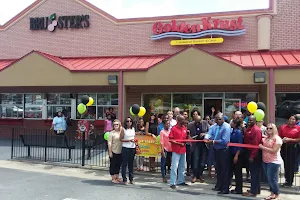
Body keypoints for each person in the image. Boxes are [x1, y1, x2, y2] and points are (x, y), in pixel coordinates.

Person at [204, 113, 231, 194]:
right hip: (216, 150)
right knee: (218, 169)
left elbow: (224, 141)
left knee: (224, 170)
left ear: (223, 119)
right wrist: (206, 138)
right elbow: (210, 133)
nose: (218, 120)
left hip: (224, 151)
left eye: (219, 119)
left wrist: (212, 141)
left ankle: (225, 188)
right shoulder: (214, 126)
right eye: (216, 119)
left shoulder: (226, 127)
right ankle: (219, 185)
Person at [259, 123, 283, 200]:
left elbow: (274, 150)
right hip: (265, 160)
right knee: (270, 179)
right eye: (267, 128)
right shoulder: (266, 137)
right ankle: (272, 193)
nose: (268, 130)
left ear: (274, 129)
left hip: (274, 161)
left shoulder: (277, 139)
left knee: (271, 179)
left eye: (271, 128)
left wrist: (262, 147)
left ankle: (277, 193)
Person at [243, 115, 262, 197]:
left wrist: (252, 156)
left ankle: (253, 192)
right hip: (249, 152)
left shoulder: (256, 130)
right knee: (254, 173)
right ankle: (256, 189)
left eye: (251, 120)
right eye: (249, 120)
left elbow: (256, 144)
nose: (249, 122)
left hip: (255, 154)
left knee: (254, 174)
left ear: (255, 121)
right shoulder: (248, 128)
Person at [279, 115, 300, 187]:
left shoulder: (298, 128)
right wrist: (282, 140)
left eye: (293, 119)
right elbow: (279, 136)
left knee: (291, 164)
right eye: (290, 118)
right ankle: (286, 179)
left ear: (296, 121)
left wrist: (290, 139)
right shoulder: (283, 127)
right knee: (286, 164)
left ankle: (290, 181)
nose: (291, 120)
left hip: (293, 147)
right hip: (284, 147)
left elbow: (299, 139)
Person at [169, 115, 188, 189]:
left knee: (182, 166)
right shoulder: (174, 128)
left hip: (183, 150)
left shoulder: (184, 128)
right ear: (179, 121)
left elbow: (186, 138)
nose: (184, 121)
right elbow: (170, 140)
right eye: (183, 120)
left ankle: (181, 181)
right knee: (174, 167)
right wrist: (179, 143)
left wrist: (188, 136)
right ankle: (172, 182)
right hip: (176, 150)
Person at [189, 115, 209, 183]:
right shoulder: (191, 124)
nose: (197, 124)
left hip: (204, 144)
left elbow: (210, 132)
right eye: (196, 122)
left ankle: (200, 175)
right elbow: (188, 134)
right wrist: (190, 137)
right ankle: (194, 175)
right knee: (195, 160)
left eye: (199, 122)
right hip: (195, 145)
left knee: (202, 162)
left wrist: (205, 134)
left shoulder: (205, 123)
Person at [229, 119, 243, 194]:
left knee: (238, 173)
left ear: (234, 124)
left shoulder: (238, 132)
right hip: (231, 153)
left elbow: (240, 145)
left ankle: (239, 189)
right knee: (234, 171)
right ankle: (236, 188)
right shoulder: (232, 131)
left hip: (236, 154)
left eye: (232, 122)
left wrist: (236, 155)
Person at [120, 117, 136, 185]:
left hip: (132, 147)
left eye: (130, 121)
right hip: (126, 148)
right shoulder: (123, 129)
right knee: (124, 164)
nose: (129, 122)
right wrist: (129, 140)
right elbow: (121, 139)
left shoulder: (133, 129)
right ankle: (124, 179)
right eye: (127, 121)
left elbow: (134, 137)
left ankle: (131, 179)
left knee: (131, 164)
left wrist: (135, 141)